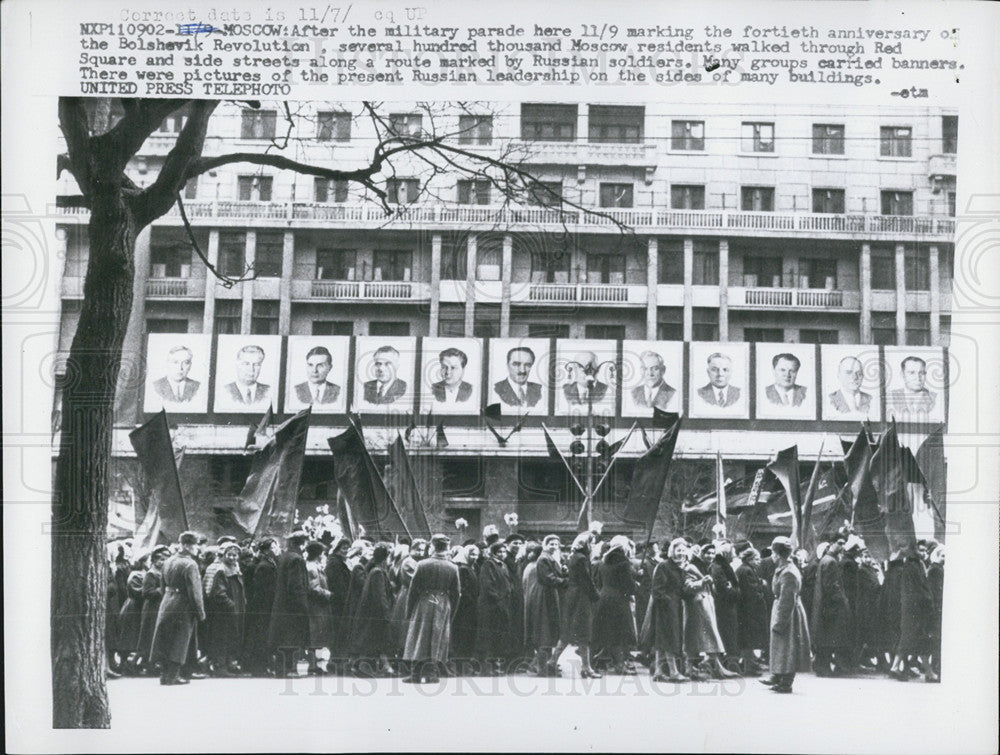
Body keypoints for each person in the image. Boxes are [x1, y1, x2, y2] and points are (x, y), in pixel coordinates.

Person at [403, 534, 462, 683]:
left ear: (432, 546)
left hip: (425, 601)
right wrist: (452, 611)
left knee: (419, 636)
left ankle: (416, 673)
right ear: (447, 547)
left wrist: (408, 610)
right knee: (438, 637)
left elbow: (413, 589)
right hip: (443, 603)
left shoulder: (422, 564)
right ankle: (432, 673)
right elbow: (456, 593)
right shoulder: (453, 567)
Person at [150, 531, 207, 685]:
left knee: (166, 638)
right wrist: (200, 612)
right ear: (188, 546)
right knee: (180, 641)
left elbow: (162, 585)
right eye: (196, 545)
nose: (197, 548)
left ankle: (164, 674)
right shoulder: (190, 564)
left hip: (167, 601)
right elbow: (195, 592)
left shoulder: (168, 561)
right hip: (184, 604)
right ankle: (173, 676)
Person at [760, 536, 811, 694]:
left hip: (787, 613)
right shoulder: (785, 568)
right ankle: (779, 676)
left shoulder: (788, 572)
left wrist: (779, 622)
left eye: (773, 552)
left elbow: (786, 600)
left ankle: (786, 680)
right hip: (784, 609)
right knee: (782, 646)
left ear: (777, 554)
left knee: (787, 647)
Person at [680, 543, 737, 680]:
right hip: (696, 605)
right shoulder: (692, 566)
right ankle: (704, 667)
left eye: (712, 553)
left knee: (708, 636)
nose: (710, 556)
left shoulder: (707, 566)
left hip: (704, 604)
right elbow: (688, 586)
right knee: (697, 637)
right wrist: (702, 582)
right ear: (701, 553)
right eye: (707, 553)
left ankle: (714, 666)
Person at [643, 538, 690, 683]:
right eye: (678, 550)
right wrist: (668, 601)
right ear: (672, 551)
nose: (680, 553)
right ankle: (673, 671)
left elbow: (681, 589)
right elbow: (657, 590)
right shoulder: (664, 566)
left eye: (683, 550)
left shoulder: (679, 568)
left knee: (662, 639)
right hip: (666, 608)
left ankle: (658, 671)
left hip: (674, 606)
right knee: (669, 638)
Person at [592, 535, 638, 675]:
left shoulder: (602, 562)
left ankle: (592, 663)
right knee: (619, 634)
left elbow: (599, 582)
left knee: (604, 632)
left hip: (603, 598)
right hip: (619, 601)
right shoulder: (624, 563)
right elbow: (628, 585)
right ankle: (619, 665)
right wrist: (636, 585)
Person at [268, 531, 310, 678]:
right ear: (303, 543)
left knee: (283, 637)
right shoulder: (297, 559)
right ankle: (288, 668)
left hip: (282, 603)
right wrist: (302, 605)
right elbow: (296, 585)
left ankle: (281, 669)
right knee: (291, 637)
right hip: (292, 606)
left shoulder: (285, 557)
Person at [525, 535, 569, 677]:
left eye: (556, 544)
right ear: (545, 544)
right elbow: (547, 578)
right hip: (545, 596)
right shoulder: (544, 558)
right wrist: (565, 581)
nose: (554, 546)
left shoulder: (550, 557)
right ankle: (542, 668)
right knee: (545, 630)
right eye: (551, 544)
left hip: (549, 595)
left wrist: (563, 572)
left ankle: (542, 666)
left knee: (548, 631)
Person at [350, 542, 395, 677]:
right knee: (373, 640)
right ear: (386, 558)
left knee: (371, 641)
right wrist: (386, 613)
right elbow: (380, 596)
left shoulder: (375, 570)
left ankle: (362, 666)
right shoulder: (378, 573)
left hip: (371, 613)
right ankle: (363, 667)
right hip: (375, 614)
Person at [561, 532, 601, 679]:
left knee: (570, 631)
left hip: (573, 596)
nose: (593, 546)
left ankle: (553, 662)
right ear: (586, 544)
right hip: (582, 598)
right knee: (585, 632)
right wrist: (596, 595)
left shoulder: (574, 557)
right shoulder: (583, 558)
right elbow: (586, 580)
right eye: (592, 543)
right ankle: (586, 667)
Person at [203, 541, 246, 677]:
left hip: (233, 609)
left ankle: (228, 663)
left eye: (235, 555)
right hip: (223, 611)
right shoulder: (220, 570)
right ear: (222, 555)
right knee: (221, 638)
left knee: (230, 637)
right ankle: (219, 666)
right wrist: (231, 605)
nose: (233, 558)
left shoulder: (234, 567)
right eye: (230, 555)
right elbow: (218, 592)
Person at [810, 539, 852, 676]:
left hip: (825, 606)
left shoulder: (826, 560)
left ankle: (822, 666)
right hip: (831, 607)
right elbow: (832, 586)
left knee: (827, 638)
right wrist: (843, 600)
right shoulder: (831, 562)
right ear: (832, 543)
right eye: (840, 543)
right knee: (832, 637)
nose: (842, 547)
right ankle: (825, 667)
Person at [242, 538, 278, 677]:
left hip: (264, 606)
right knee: (260, 636)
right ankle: (258, 667)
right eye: (274, 547)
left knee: (262, 636)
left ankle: (261, 666)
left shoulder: (268, 563)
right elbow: (261, 589)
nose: (277, 549)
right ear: (267, 550)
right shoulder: (264, 566)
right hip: (262, 606)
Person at [476, 541, 513, 676]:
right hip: (491, 605)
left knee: (498, 636)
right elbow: (487, 585)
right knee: (488, 635)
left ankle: (495, 665)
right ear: (494, 553)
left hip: (502, 605)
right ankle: (486, 667)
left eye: (504, 552)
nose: (502, 554)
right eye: (500, 552)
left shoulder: (503, 565)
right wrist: (498, 598)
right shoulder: (489, 564)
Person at [734, 543, 769, 677]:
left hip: (747, 610)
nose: (759, 561)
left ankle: (750, 663)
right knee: (749, 639)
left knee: (748, 639)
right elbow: (751, 591)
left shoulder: (746, 569)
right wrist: (762, 588)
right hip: (749, 611)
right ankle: (749, 665)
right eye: (756, 559)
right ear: (749, 559)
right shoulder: (746, 570)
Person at [136, 545, 170, 674]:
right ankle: (147, 664)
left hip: (160, 607)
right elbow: (146, 592)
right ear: (155, 560)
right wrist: (162, 590)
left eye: (166, 559)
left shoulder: (163, 573)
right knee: (149, 635)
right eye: (161, 559)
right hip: (151, 608)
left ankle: (155, 662)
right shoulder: (151, 574)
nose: (163, 562)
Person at [323, 536, 352, 673]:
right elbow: (338, 585)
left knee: (340, 633)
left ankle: (335, 662)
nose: (345, 551)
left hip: (340, 602)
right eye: (343, 548)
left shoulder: (337, 561)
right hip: (338, 603)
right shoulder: (334, 563)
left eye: (347, 548)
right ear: (337, 548)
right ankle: (337, 662)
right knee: (340, 633)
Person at [709, 540, 741, 664]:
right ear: (726, 554)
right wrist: (736, 590)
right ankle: (728, 663)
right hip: (724, 606)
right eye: (731, 552)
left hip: (727, 605)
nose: (733, 555)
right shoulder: (718, 567)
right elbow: (724, 589)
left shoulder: (721, 566)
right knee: (727, 633)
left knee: (729, 633)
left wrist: (732, 588)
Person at [116, 553, 148, 674]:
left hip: (138, 608)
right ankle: (126, 664)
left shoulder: (144, 574)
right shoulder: (136, 574)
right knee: (129, 636)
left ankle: (132, 663)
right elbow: (137, 591)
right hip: (133, 608)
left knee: (135, 636)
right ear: (143, 562)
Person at [304, 540, 333, 673]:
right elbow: (314, 587)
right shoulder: (312, 568)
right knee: (316, 634)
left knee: (318, 634)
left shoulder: (314, 566)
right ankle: (314, 664)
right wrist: (328, 594)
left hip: (319, 605)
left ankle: (316, 664)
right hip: (316, 606)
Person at [450, 545, 479, 671]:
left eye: (476, 554)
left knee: (468, 635)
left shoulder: (472, 568)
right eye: (472, 554)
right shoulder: (462, 569)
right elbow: (463, 588)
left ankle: (465, 663)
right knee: (462, 634)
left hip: (472, 607)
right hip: (464, 608)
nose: (474, 557)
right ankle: (460, 664)